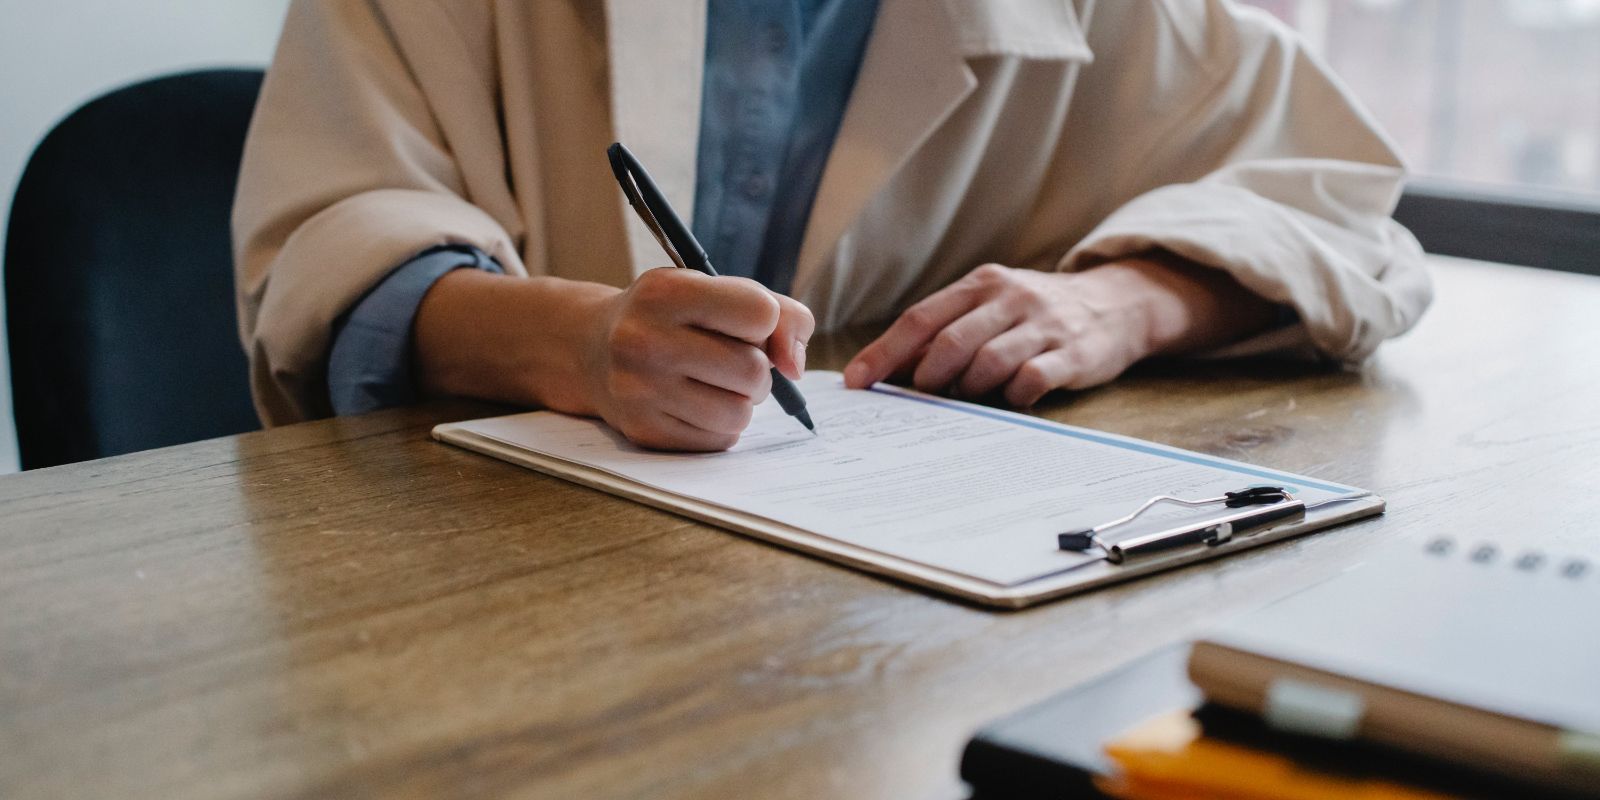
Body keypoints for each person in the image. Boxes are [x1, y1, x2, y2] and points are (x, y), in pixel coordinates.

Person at [234, 0, 1432, 451]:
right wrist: (579, 343)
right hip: (478, 594)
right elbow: (329, 254)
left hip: (892, 618)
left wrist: (1117, 300)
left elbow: (1343, 209)